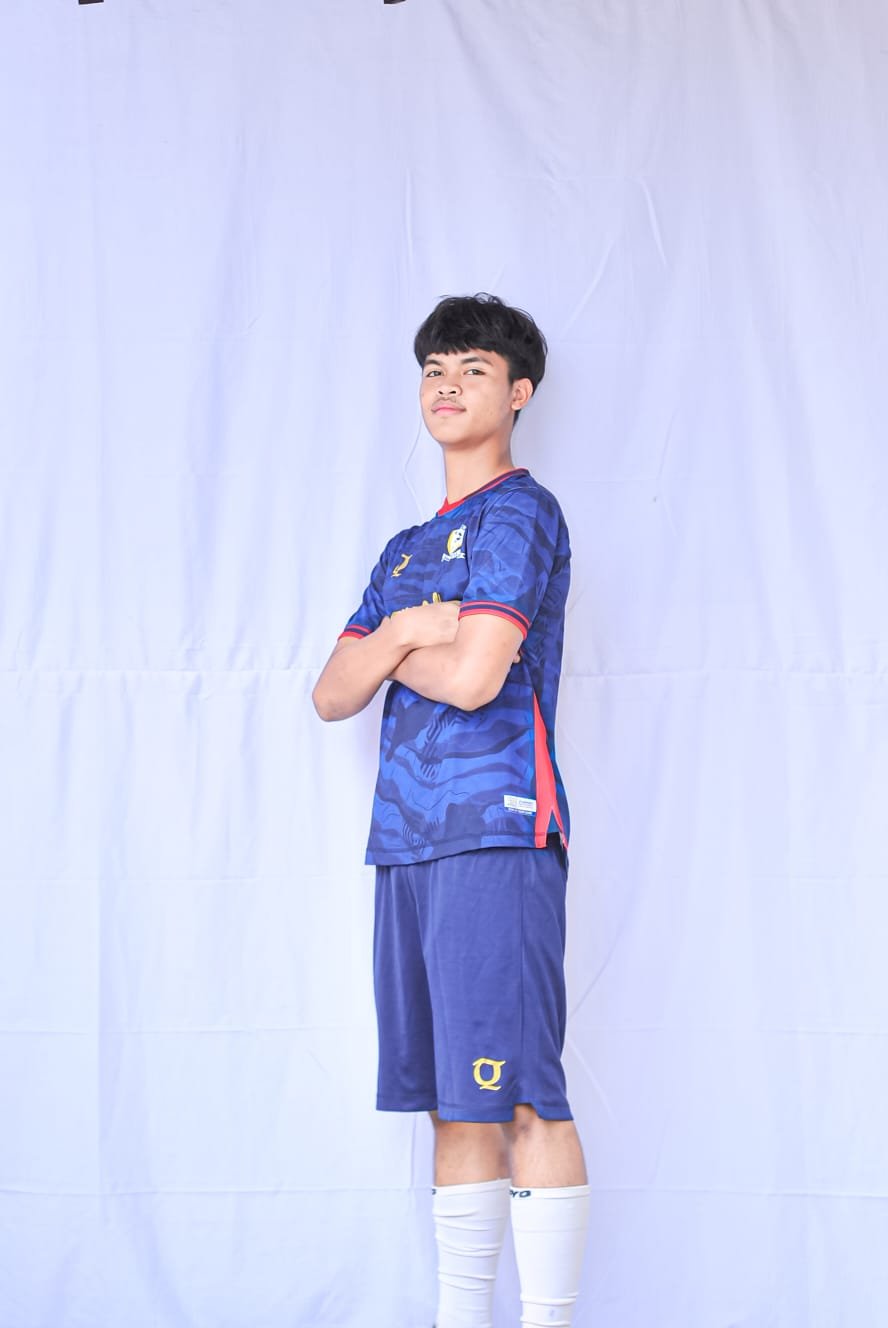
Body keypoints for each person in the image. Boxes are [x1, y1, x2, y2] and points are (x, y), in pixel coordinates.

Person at [313, 294, 589, 1327]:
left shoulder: (520, 514)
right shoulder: (402, 550)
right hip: (406, 842)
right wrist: (402, 633)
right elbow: (331, 691)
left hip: (498, 830)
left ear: (519, 394)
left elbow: (475, 677)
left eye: (473, 368)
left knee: (522, 1095)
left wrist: (396, 648)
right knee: (453, 1103)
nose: (446, 384)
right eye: (434, 368)